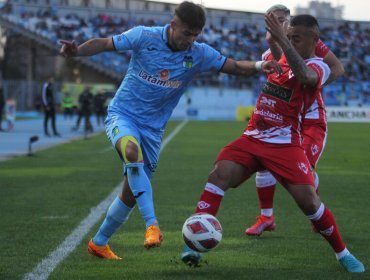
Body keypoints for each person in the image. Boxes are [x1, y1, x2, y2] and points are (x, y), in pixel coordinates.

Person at [60, 1, 280, 260]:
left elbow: (231, 66)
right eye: (187, 33)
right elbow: (105, 43)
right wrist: (77, 52)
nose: (191, 39)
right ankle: (152, 225)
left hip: (153, 131)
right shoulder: (144, 36)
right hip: (123, 115)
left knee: (129, 194)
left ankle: (98, 243)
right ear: (174, 25)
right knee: (131, 151)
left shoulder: (198, 53)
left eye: (196, 34)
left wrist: (257, 66)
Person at [180, 14, 364, 273]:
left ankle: (342, 253)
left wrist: (281, 40)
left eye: (296, 38)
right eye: (289, 37)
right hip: (252, 137)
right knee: (219, 174)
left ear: (315, 40)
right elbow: (273, 54)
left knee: (309, 203)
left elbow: (307, 78)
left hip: (285, 145)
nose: (291, 41)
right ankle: (193, 244)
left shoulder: (317, 67)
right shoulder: (278, 59)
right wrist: (276, 38)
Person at [245, 4, 345, 236]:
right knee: (263, 164)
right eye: (274, 19)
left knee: (305, 174)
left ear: (289, 22)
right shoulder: (269, 54)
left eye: (283, 19)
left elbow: (337, 68)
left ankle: (317, 212)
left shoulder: (312, 43)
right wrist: (273, 42)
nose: (279, 23)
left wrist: (313, 86)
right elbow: (284, 71)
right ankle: (266, 217)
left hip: (310, 119)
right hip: (282, 120)